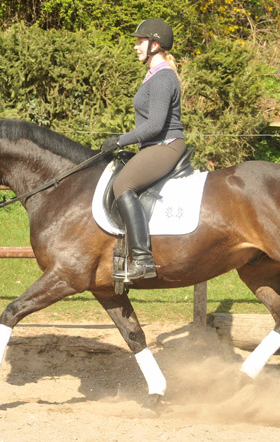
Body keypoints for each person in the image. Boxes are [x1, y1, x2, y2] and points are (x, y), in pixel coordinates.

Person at [101, 18, 186, 280]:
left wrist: (120, 140)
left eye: (140, 41)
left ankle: (142, 259)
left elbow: (155, 125)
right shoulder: (153, 75)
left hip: (165, 145)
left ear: (155, 44)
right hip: (154, 145)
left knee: (123, 185)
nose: (136, 46)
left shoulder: (162, 78)